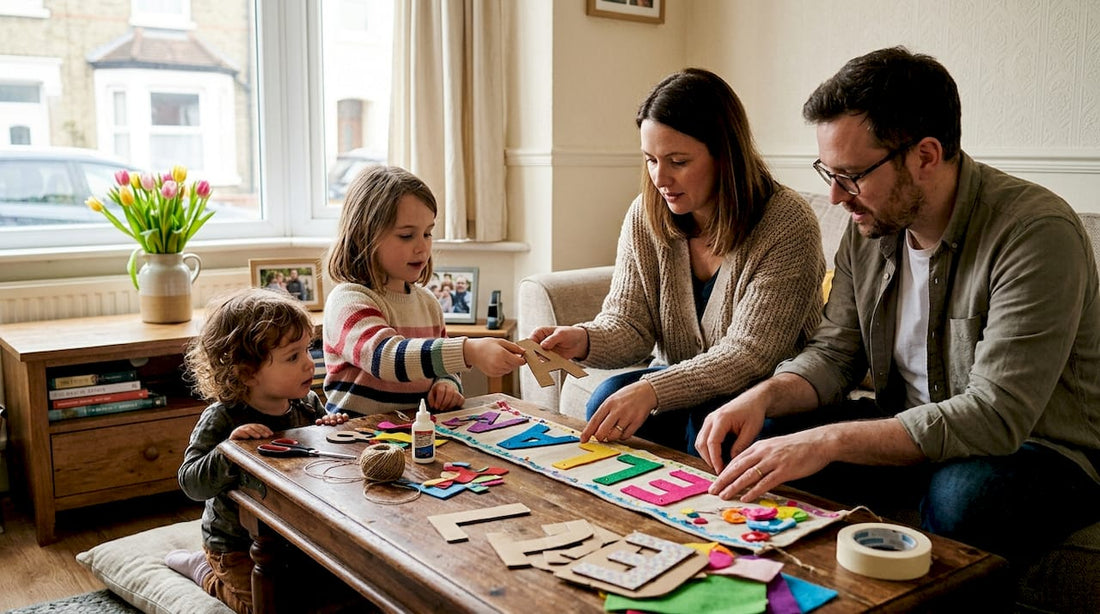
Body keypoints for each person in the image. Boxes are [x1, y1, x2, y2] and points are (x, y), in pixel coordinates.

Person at [696, 47, 1100, 566]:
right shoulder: (871, 228)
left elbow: (996, 416)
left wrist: (830, 440)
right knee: (753, 440)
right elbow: (836, 354)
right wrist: (764, 396)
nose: (838, 199)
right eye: (829, 174)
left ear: (925, 156)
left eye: (852, 175)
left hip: (1037, 452)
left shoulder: (1036, 234)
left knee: (963, 498)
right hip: (907, 428)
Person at [531, 68, 826, 454]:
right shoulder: (646, 214)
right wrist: (583, 339)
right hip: (685, 381)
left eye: (678, 161)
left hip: (767, 392)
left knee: (708, 425)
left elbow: (750, 354)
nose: (660, 178)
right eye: (651, 160)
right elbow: (630, 325)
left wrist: (653, 389)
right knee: (606, 397)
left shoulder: (787, 223)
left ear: (725, 155)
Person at [170, 288, 350, 614]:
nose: (310, 363)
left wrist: (327, 432)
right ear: (247, 372)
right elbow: (190, 482)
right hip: (235, 546)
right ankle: (205, 572)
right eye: (293, 357)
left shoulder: (306, 405)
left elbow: (315, 467)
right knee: (266, 607)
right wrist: (229, 451)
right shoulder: (223, 417)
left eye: (307, 350)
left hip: (290, 538)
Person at [323, 165, 527, 415]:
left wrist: (447, 384)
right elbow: (385, 358)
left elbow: (443, 365)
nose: (422, 247)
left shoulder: (429, 303)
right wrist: (469, 350)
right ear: (363, 237)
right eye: (407, 235)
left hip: (416, 435)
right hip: (356, 440)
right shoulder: (349, 301)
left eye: (428, 233)